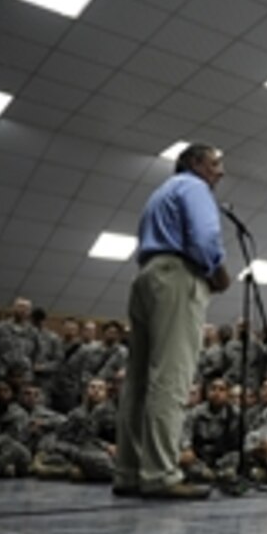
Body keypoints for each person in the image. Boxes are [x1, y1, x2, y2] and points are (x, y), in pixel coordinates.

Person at [115, 143, 230, 499]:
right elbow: (204, 237)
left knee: (137, 381)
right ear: (195, 163)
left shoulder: (159, 193)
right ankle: (162, 473)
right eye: (215, 163)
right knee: (172, 376)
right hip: (178, 276)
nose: (220, 172)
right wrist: (217, 270)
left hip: (147, 275)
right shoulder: (194, 187)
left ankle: (130, 471)